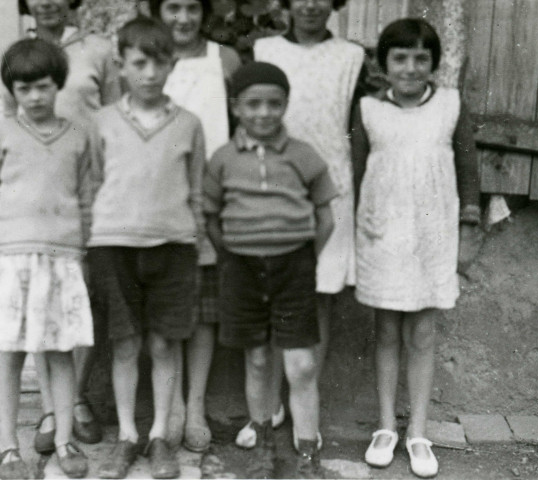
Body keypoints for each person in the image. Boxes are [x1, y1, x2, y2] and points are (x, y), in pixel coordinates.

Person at [353, 18, 480, 478]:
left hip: (431, 234)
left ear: (434, 65)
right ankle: (386, 426)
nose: (410, 67)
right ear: (384, 64)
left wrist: (469, 226)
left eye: (421, 58)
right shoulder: (369, 110)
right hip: (383, 234)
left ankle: (418, 431)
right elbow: (356, 172)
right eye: (400, 58)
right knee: (386, 331)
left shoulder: (450, 105)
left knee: (422, 333)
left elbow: (468, 170)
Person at [204, 61, 337, 479]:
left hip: (293, 267)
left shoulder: (303, 155)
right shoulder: (223, 159)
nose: (264, 113)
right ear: (236, 107)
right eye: (253, 104)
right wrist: (233, 255)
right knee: (258, 360)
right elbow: (210, 216)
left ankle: (308, 454)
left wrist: (302, 256)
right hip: (241, 268)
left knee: (300, 364)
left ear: (285, 105)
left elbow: (325, 216)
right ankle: (263, 449)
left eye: (274, 104)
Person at [85, 16, 205, 480]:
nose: (150, 74)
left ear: (172, 64)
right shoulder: (102, 122)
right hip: (113, 247)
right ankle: (128, 436)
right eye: (139, 63)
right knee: (125, 343)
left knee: (163, 343)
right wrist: (86, 243)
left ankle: (158, 436)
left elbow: (194, 192)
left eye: (159, 63)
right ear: (122, 64)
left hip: (173, 248)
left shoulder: (189, 124)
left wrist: (197, 243)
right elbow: (93, 184)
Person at [0, 38, 94, 479]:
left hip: (61, 259)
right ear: (12, 92)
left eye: (42, 87)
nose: (35, 97)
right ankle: (7, 447)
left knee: (60, 352)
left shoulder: (78, 137)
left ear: (57, 85)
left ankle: (63, 438)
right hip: (13, 258)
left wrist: (79, 249)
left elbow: (86, 197)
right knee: (12, 352)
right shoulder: (0, 136)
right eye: (24, 89)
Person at [249, 0, 366, 449]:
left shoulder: (352, 57)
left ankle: (305, 407)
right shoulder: (264, 51)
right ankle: (270, 405)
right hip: (272, 186)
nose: (311, 5)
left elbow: (358, 131)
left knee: (317, 295)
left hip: (329, 188)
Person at [6, 0, 121, 454]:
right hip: (40, 201)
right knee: (42, 298)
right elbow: (9, 129)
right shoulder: (18, 51)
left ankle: (76, 401)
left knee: (86, 297)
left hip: (93, 192)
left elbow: (116, 117)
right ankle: (52, 407)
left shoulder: (98, 50)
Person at [151, 0, 242, 452]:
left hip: (207, 198)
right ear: (156, 11)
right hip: (156, 201)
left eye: (191, 7)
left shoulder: (223, 59)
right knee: (166, 309)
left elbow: (240, 125)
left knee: (205, 311)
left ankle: (196, 407)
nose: (182, 18)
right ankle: (168, 410)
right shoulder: (146, 58)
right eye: (172, 7)